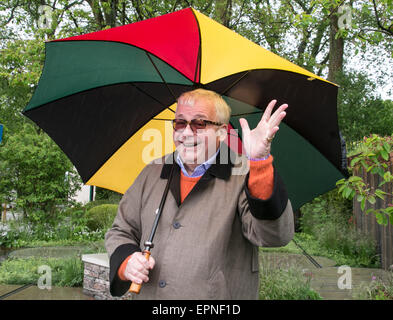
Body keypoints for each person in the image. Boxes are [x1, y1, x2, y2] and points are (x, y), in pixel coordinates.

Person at [105, 88, 294, 300]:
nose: (186, 132)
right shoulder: (152, 171)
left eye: (199, 123)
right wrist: (127, 261)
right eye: (179, 123)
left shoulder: (245, 174)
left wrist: (259, 163)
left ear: (221, 132)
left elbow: (273, 236)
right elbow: (121, 230)